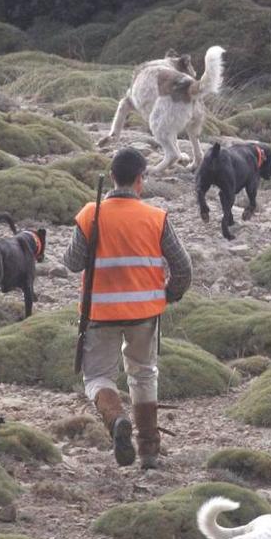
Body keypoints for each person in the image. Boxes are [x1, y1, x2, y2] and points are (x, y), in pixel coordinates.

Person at [63, 148, 192, 469]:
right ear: (140, 180)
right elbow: (183, 267)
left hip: (99, 313)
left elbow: (71, 263)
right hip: (145, 313)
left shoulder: (90, 215)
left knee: (97, 378)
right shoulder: (156, 218)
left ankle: (116, 419)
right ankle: (149, 450)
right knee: (144, 374)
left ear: (111, 178)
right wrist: (167, 295)